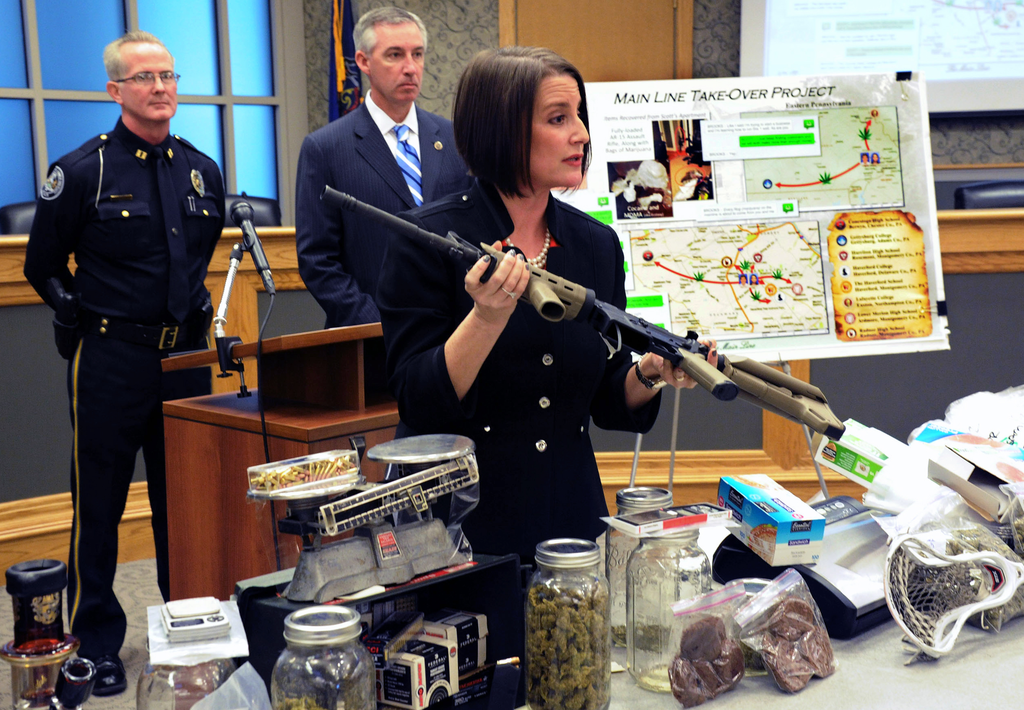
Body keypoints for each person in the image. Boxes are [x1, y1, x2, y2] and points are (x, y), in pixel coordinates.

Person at [376, 47, 717, 563]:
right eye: (559, 119)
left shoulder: (594, 244)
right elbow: (419, 405)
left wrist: (648, 373)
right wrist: (486, 318)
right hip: (459, 535)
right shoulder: (427, 240)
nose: (580, 133)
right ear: (503, 131)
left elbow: (605, 398)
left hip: (572, 532)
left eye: (578, 115)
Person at [23, 31, 224, 696]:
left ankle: (188, 629)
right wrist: (74, 314)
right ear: (115, 90)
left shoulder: (202, 169)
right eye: (143, 78)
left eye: (167, 75)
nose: (160, 87)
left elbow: (202, 254)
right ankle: (96, 643)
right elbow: (41, 265)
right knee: (100, 506)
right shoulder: (83, 170)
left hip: (184, 361)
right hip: (108, 357)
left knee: (185, 505)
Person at [295, 7, 472, 328]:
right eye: (395, 55)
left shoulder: (453, 138)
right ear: (363, 62)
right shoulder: (326, 147)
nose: (410, 68)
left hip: (454, 332)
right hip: (370, 338)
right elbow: (317, 259)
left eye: (417, 54)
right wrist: (375, 323)